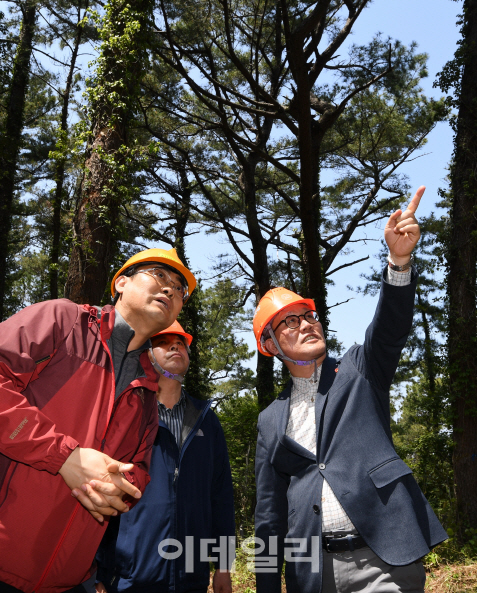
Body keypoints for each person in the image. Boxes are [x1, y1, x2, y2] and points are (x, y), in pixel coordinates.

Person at [253, 187, 447, 593]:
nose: (306, 323)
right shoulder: (270, 420)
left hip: (383, 560)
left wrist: (398, 261)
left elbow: (391, 328)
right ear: (269, 345)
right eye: (289, 322)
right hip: (313, 572)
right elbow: (269, 514)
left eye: (308, 315)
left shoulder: (359, 368)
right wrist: (268, 585)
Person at [0, 248, 196, 593]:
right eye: (159, 276)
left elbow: (139, 471)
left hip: (70, 580)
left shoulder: (148, 391)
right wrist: (65, 457)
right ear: (120, 282)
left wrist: (115, 488)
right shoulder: (62, 321)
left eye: (180, 288)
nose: (170, 289)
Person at [95, 321, 235, 593]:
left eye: (181, 342)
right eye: (162, 342)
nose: (175, 346)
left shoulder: (207, 421)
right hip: (129, 579)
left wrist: (224, 566)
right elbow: (101, 490)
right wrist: (97, 569)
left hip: (192, 579)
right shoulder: (127, 414)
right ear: (146, 355)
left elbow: (221, 499)